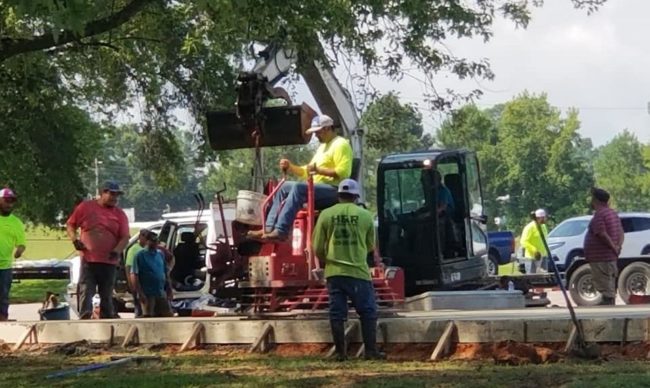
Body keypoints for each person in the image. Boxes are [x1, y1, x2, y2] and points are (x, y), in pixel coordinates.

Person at [312, 179, 385, 361]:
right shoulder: (365, 215)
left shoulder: (326, 214)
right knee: (367, 311)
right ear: (356, 196)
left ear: (338, 195)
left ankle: (340, 353)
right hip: (358, 272)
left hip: (334, 273)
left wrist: (328, 259)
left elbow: (317, 246)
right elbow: (370, 245)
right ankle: (370, 351)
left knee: (337, 313)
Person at [250, 114, 353, 241]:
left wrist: (318, 170)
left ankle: (281, 231)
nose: (315, 135)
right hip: (315, 189)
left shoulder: (341, 144)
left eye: (318, 132)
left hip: (334, 191)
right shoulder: (323, 147)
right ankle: (269, 227)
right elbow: (307, 171)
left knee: (299, 188)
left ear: (327, 129)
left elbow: (344, 173)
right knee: (283, 186)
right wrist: (290, 167)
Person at [66, 181, 130, 319]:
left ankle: (107, 319)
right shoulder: (85, 207)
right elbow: (71, 225)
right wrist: (74, 240)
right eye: (112, 194)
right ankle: (85, 317)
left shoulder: (119, 214)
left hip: (109, 261)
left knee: (106, 293)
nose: (115, 198)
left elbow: (125, 237)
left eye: (117, 195)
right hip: (89, 259)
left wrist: (117, 250)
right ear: (102, 193)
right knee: (86, 290)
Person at [584, 188, 623, 306]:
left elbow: (602, 233)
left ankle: (608, 307)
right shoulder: (613, 213)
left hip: (601, 258)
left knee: (605, 285)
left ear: (596, 200)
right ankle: (609, 305)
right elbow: (621, 232)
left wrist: (613, 247)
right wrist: (618, 247)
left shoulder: (600, 214)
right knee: (609, 283)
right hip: (609, 256)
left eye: (592, 198)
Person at [131, 231, 173, 317]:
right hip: (147, 293)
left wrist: (169, 289)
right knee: (148, 316)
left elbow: (165, 272)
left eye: (156, 241)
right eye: (152, 240)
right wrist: (140, 293)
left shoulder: (160, 254)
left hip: (160, 292)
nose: (155, 243)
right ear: (147, 241)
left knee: (167, 315)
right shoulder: (139, 255)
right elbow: (134, 275)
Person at [0, 188, 26, 321]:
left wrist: (19, 250)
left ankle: (3, 322)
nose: (9, 204)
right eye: (6, 201)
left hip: (4, 266)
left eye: (11, 201)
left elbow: (21, 243)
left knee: (3, 296)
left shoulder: (16, 223)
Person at [125, 229, 149, 317]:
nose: (146, 239)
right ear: (140, 237)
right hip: (138, 282)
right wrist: (131, 284)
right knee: (139, 308)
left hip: (148, 283)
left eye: (147, 237)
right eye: (144, 236)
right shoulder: (134, 249)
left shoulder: (150, 248)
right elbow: (128, 267)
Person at [520, 209, 549, 274]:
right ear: (539, 218)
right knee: (532, 277)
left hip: (543, 256)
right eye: (544, 217)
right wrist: (534, 250)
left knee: (544, 277)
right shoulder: (529, 227)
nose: (545, 219)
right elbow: (523, 241)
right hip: (532, 258)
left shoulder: (543, 226)